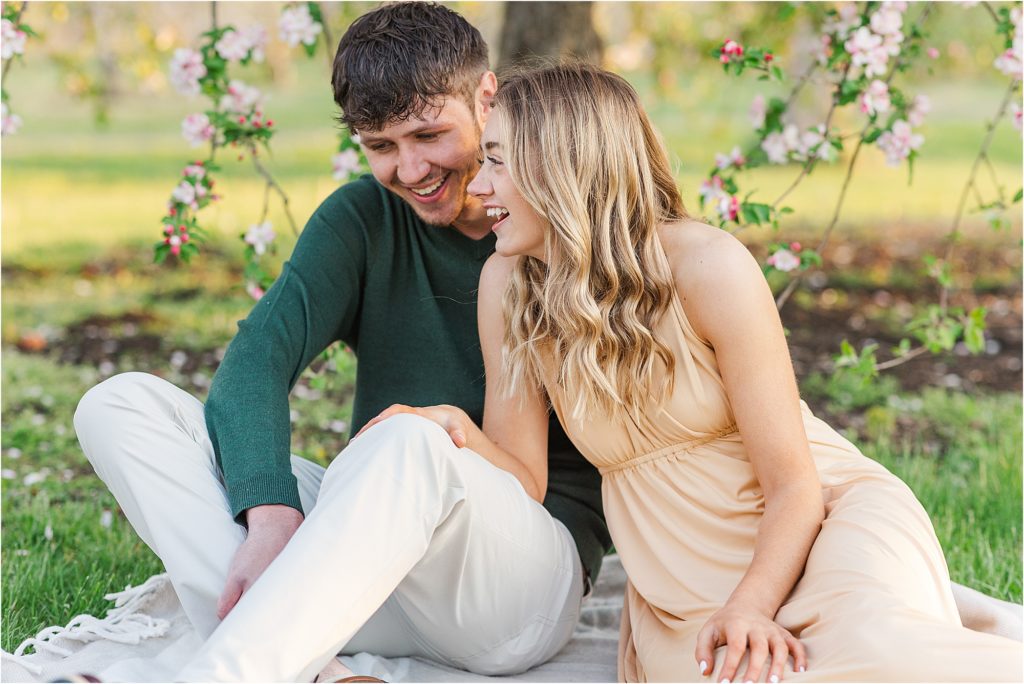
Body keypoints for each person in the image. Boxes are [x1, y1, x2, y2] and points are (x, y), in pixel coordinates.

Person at [361, 62, 1024, 682]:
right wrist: (454, 430)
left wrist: (751, 607)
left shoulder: (708, 266)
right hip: (678, 587)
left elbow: (796, 486)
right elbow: (525, 480)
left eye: (496, 164)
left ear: (559, 167)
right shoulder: (510, 285)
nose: (477, 188)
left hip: (820, 524)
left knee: (876, 656)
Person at [73, 4, 609, 681]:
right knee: (120, 404)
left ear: (486, 97)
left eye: (428, 134)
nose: (410, 170)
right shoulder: (363, 219)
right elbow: (257, 361)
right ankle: (319, 669)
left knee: (410, 439)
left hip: (510, 587)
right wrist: (270, 517)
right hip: (367, 569)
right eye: (381, 146)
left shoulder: (565, 227)